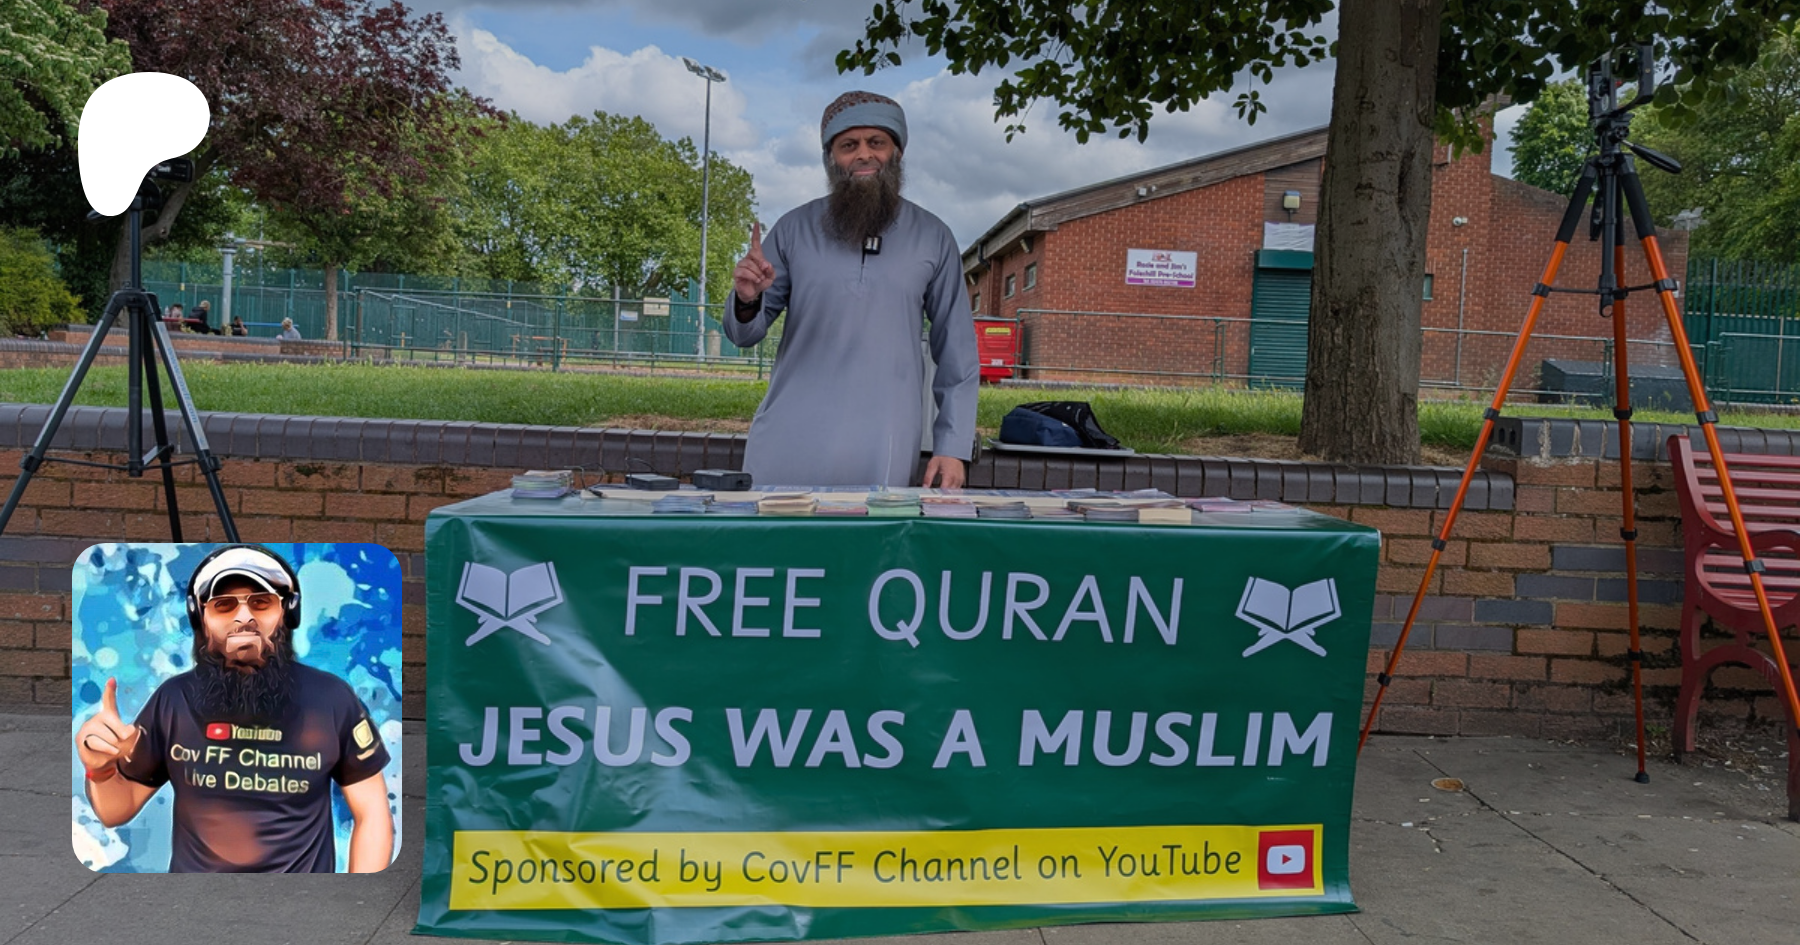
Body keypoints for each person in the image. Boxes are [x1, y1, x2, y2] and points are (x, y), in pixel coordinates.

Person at [74, 544, 394, 872]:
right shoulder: (174, 700)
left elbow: (372, 814)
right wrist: (101, 769)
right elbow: (116, 811)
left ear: (288, 612)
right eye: (224, 605)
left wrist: (354, 895)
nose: (244, 618)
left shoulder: (332, 699)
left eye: (261, 603)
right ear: (201, 618)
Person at [726, 91, 978, 488]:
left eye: (876, 142)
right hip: (789, 439)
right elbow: (744, 334)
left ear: (897, 152)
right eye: (848, 145)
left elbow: (957, 353)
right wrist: (747, 298)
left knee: (872, 528)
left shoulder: (934, 237)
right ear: (831, 157)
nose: (864, 154)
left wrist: (953, 445)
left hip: (885, 442)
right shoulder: (793, 229)